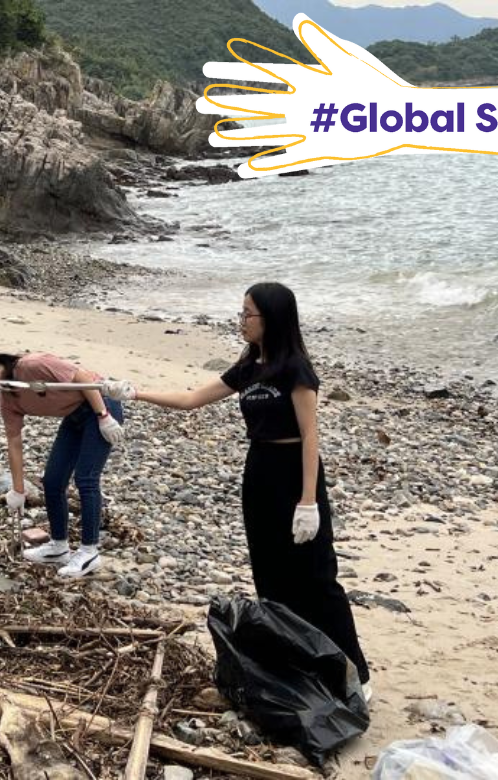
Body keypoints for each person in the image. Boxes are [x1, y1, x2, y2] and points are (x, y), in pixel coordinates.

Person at [106, 282, 372, 698]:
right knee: (269, 570)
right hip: (260, 469)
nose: (241, 321)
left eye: (247, 314)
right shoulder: (250, 365)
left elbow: (310, 434)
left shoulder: (295, 368)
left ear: (271, 318)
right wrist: (135, 392)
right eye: (241, 313)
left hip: (294, 470)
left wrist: (308, 501)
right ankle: (298, 660)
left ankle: (353, 671)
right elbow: (193, 398)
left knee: (317, 576)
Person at [0, 352, 125, 578]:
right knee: (53, 481)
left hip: (100, 404)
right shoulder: (8, 400)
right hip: (74, 415)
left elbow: (82, 377)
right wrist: (18, 490)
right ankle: (59, 546)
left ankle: (89, 551)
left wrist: (104, 416)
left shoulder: (31, 366)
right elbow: (14, 442)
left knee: (86, 478)